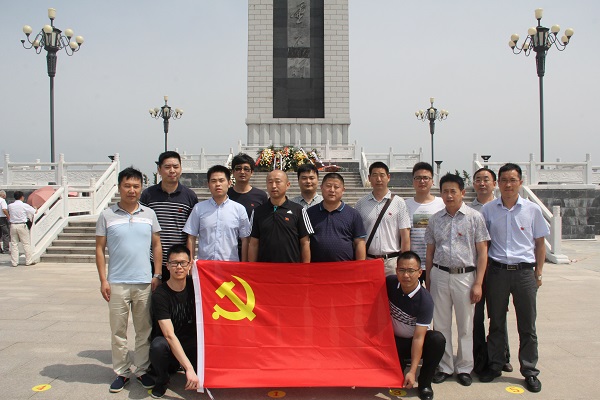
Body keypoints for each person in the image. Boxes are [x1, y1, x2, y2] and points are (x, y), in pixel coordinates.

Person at [479, 163, 549, 393]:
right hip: (497, 271)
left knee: (527, 324)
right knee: (496, 321)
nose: (508, 185)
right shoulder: (488, 210)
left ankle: (529, 370)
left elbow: (540, 243)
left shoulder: (532, 210)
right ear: (497, 183)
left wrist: (539, 272)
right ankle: (496, 364)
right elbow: (483, 243)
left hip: (524, 272)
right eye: (504, 180)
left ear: (520, 182)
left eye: (512, 180)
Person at [95, 167, 162, 393]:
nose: (131, 190)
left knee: (144, 329)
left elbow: (156, 245)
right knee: (118, 330)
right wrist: (103, 280)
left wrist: (157, 274)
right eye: (127, 186)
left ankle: (141, 370)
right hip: (117, 282)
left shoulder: (149, 214)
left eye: (136, 186)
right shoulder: (107, 215)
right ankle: (122, 372)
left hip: (143, 282)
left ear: (141, 188)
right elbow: (99, 248)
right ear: (119, 187)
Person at [425, 173, 490, 387]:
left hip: (465, 276)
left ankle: (464, 367)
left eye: (453, 191)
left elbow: (482, 252)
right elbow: (430, 252)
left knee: (465, 325)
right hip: (440, 274)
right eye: (445, 191)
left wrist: (478, 282)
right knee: (441, 324)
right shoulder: (435, 219)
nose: (449, 195)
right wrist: (429, 279)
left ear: (462, 192)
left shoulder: (474, 217)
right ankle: (444, 366)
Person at [469, 168, 513, 375]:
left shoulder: (502, 207)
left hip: (496, 269)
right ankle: (479, 357)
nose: (482, 183)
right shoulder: (468, 209)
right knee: (475, 316)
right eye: (478, 179)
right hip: (474, 269)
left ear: (494, 183)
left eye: (486, 179)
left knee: (497, 315)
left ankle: (502, 355)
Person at [386, 251, 445, 400]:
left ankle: (425, 383)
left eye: (411, 271)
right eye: (402, 270)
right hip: (393, 343)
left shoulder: (425, 301)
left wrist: (412, 371)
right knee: (391, 378)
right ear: (396, 270)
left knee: (437, 340)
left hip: (415, 342)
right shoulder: (390, 283)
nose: (406, 275)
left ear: (420, 272)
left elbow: (419, 338)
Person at [149, 244, 199, 399]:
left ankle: (190, 366)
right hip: (169, 345)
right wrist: (189, 368)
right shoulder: (160, 295)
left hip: (191, 343)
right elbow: (169, 335)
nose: (179, 267)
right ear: (167, 266)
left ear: (190, 265)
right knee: (158, 346)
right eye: (174, 263)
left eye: (183, 263)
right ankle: (163, 379)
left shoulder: (196, 286)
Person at [140, 151, 198, 282]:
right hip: (152, 260)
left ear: (181, 169)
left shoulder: (190, 197)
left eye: (176, 167)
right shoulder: (148, 195)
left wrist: (188, 261)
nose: (172, 171)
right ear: (159, 169)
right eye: (167, 167)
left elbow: (191, 233)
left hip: (179, 263)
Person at [183, 165, 251, 261]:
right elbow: (191, 237)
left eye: (221, 180)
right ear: (208, 184)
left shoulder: (239, 209)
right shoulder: (199, 208)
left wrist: (244, 264)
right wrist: (190, 262)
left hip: (230, 265)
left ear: (229, 183)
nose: (218, 184)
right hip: (205, 265)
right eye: (214, 181)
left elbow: (245, 239)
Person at [356, 162, 410, 276]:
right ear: (369, 178)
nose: (378, 179)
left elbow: (405, 235)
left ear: (388, 177)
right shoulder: (361, 204)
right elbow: (357, 236)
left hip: (392, 262)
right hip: (369, 261)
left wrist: (404, 263)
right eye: (375, 175)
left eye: (382, 175)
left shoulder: (399, 202)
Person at [248, 169, 313, 263]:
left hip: (291, 268)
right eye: (270, 182)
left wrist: (305, 268)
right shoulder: (258, 212)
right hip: (265, 268)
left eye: (278, 182)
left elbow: (305, 243)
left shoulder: (299, 210)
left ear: (288, 185)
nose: (274, 186)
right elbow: (253, 244)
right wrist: (252, 267)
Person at [306, 173, 366, 262]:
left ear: (343, 190)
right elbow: (305, 242)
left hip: (345, 267)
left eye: (336, 187)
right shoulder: (310, 213)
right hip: (317, 267)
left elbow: (359, 242)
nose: (332, 190)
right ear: (321, 187)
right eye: (328, 186)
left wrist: (360, 266)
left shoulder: (353, 214)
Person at [405, 162, 445, 284]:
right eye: (418, 178)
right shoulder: (405, 205)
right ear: (413, 181)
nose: (422, 181)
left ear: (432, 181)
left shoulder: (442, 204)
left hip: (437, 262)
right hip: (413, 264)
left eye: (426, 178)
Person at [227, 153, 268, 218]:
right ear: (233, 172)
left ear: (252, 172)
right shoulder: (226, 195)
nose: (242, 172)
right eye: (238, 168)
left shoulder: (261, 196)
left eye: (246, 169)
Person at [7, 191, 36, 267]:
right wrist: (35, 208)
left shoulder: (10, 206)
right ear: (21, 197)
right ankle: (28, 261)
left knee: (14, 244)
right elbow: (34, 211)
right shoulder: (24, 205)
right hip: (22, 225)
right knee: (26, 243)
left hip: (13, 225)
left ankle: (14, 262)